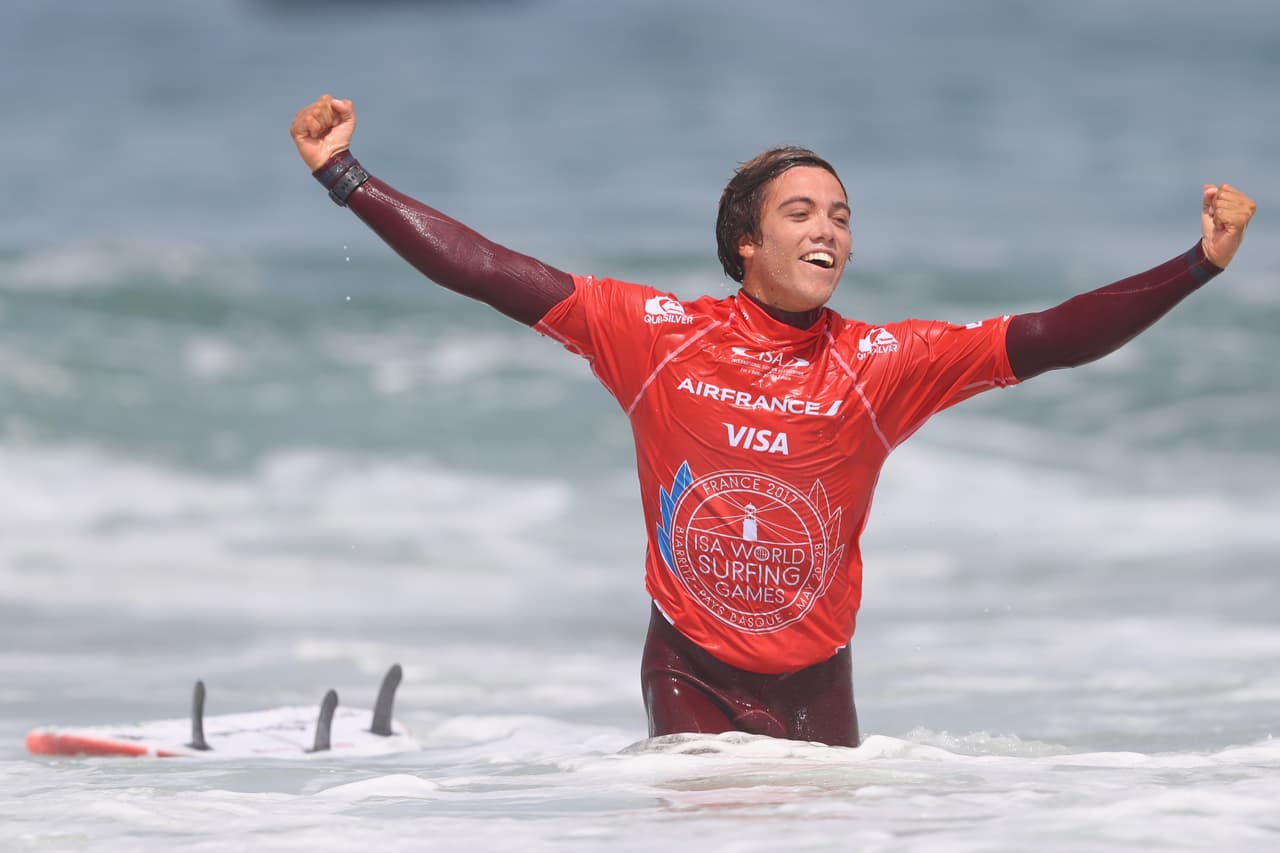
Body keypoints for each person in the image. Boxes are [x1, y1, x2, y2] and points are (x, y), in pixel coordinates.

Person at [290, 94, 1256, 748]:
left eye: (840, 213)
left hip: (819, 685)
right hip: (693, 676)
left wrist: (1196, 264)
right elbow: (489, 269)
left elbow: (1047, 337)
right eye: (800, 212)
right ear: (747, 243)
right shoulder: (656, 334)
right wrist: (348, 177)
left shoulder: (885, 364)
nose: (828, 228)